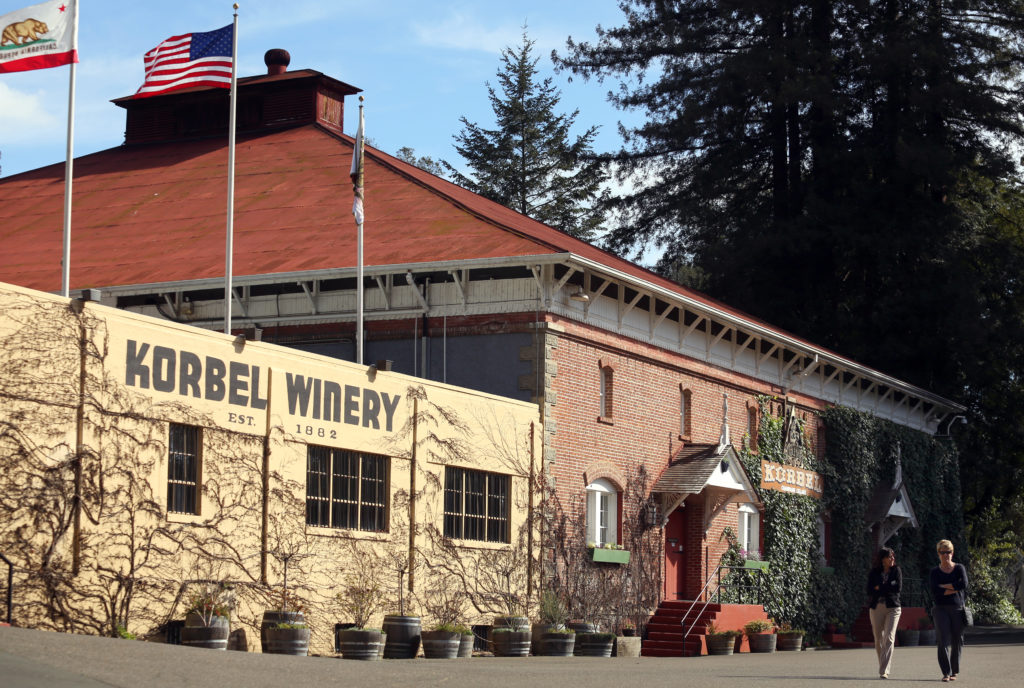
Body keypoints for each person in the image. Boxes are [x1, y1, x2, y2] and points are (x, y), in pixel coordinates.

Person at [929, 539, 968, 682]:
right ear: (938, 554)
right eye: (943, 552)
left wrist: (945, 586)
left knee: (957, 640)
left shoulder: (959, 568)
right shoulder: (934, 572)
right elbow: (935, 591)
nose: (946, 555)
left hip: (957, 608)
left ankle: (954, 671)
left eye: (948, 552)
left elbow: (963, 584)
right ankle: (946, 672)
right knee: (943, 640)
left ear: (952, 553)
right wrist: (953, 587)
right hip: (940, 609)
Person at [866, 546, 902, 679]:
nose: (892, 558)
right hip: (876, 608)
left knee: (889, 637)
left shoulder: (896, 570)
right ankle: (883, 664)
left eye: (893, 556)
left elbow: (898, 588)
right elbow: (869, 590)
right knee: (878, 639)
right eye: (889, 556)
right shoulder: (874, 572)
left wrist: (879, 587)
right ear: (883, 559)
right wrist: (887, 586)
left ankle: (884, 670)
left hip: (893, 608)